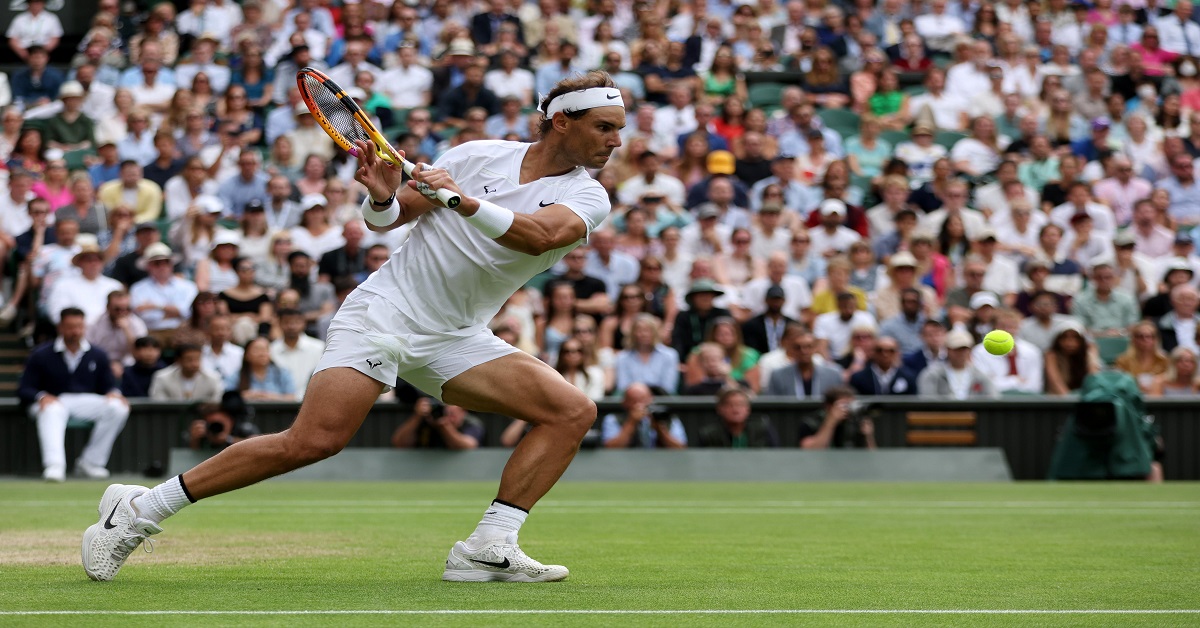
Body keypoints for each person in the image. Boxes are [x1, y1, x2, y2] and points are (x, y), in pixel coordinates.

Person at [83, 71, 625, 584]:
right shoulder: (476, 156)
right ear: (562, 122)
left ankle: (489, 544)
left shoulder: (589, 195)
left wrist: (458, 198)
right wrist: (384, 194)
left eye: (618, 130)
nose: (615, 141)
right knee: (314, 441)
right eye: (604, 127)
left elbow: (536, 236)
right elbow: (386, 220)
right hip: (384, 314)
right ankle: (139, 508)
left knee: (571, 411)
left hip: (456, 334)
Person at [17, 308, 129, 482]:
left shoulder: (97, 354)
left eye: (79, 326)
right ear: (60, 327)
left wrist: (114, 393)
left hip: (84, 401)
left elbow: (108, 386)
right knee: (52, 409)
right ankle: (54, 466)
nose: (75, 331)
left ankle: (90, 463)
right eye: (70, 327)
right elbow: (24, 389)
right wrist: (41, 396)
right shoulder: (40, 354)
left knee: (118, 408)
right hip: (50, 402)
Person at [601, 382, 687, 449]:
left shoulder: (667, 418)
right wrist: (631, 423)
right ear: (625, 403)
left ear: (651, 399)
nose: (639, 405)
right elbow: (611, 448)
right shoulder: (613, 419)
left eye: (642, 400)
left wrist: (660, 429)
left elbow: (680, 448)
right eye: (633, 401)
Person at [916, 330, 998, 398]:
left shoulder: (981, 376)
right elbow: (927, 400)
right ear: (947, 350)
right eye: (956, 349)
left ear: (969, 350)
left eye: (964, 349)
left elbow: (992, 398)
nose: (960, 353)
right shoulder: (932, 375)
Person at [765, 329, 844, 398]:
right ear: (791, 350)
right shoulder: (778, 375)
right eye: (798, 347)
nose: (804, 351)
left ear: (815, 348)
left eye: (809, 346)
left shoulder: (833, 374)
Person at [269, 309, 325, 397]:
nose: (292, 326)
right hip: (280, 404)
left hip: (313, 400)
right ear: (279, 324)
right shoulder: (271, 350)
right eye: (286, 322)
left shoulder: (319, 348)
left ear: (304, 323)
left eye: (296, 322)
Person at [698, 387, 779, 448]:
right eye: (730, 405)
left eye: (740, 404)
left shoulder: (763, 429)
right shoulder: (708, 435)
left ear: (748, 409)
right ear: (720, 409)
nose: (735, 410)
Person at [391, 397, 485, 450]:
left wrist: (444, 425)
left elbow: (469, 446)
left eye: (451, 414)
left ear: (463, 411)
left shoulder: (471, 422)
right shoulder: (427, 419)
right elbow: (400, 443)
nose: (448, 417)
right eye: (444, 411)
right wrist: (417, 417)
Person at [798, 386, 876, 449]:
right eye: (844, 405)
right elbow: (809, 451)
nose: (848, 409)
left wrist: (868, 436)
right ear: (828, 407)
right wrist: (831, 422)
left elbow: (872, 457)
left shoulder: (855, 422)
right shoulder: (812, 422)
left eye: (851, 405)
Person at [149, 343, 224, 402]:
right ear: (178, 361)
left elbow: (217, 401)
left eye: (197, 359)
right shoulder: (162, 378)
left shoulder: (213, 378)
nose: (194, 364)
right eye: (189, 360)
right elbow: (159, 403)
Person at [848, 335, 919, 396]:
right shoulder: (858, 378)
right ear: (873, 352)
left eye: (891, 351)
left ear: (897, 353)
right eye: (880, 350)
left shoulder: (909, 377)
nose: (885, 354)